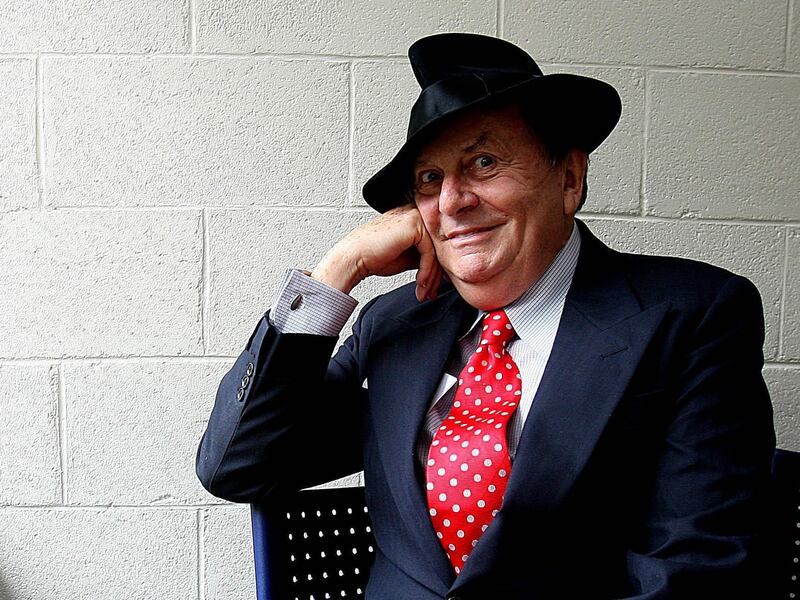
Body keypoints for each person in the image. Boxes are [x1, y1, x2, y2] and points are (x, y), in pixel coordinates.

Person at [196, 33, 775, 599]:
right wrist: (334, 274)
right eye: (430, 179)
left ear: (569, 178)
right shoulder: (393, 325)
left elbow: (698, 571)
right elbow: (238, 466)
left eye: (484, 162)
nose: (452, 201)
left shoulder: (692, 315)